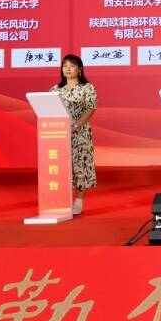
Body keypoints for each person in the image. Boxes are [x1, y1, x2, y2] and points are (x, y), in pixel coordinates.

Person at [53, 54, 97, 215]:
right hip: (59, 133)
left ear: (79, 69)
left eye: (72, 65)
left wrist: (76, 125)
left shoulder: (87, 88)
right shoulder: (55, 90)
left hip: (80, 132)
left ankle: (78, 201)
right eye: (65, 66)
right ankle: (60, 199)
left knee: (80, 165)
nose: (68, 69)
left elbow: (91, 108)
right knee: (61, 165)